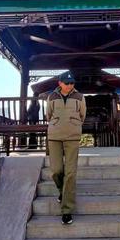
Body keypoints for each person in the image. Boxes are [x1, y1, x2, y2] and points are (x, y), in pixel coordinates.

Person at [46, 71, 86, 225]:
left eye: (72, 83)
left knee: (70, 173)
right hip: (54, 136)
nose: (70, 85)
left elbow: (82, 115)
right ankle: (62, 191)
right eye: (67, 83)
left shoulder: (80, 97)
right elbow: (48, 115)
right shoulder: (51, 97)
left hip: (72, 136)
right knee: (56, 170)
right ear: (60, 83)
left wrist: (73, 125)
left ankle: (67, 210)